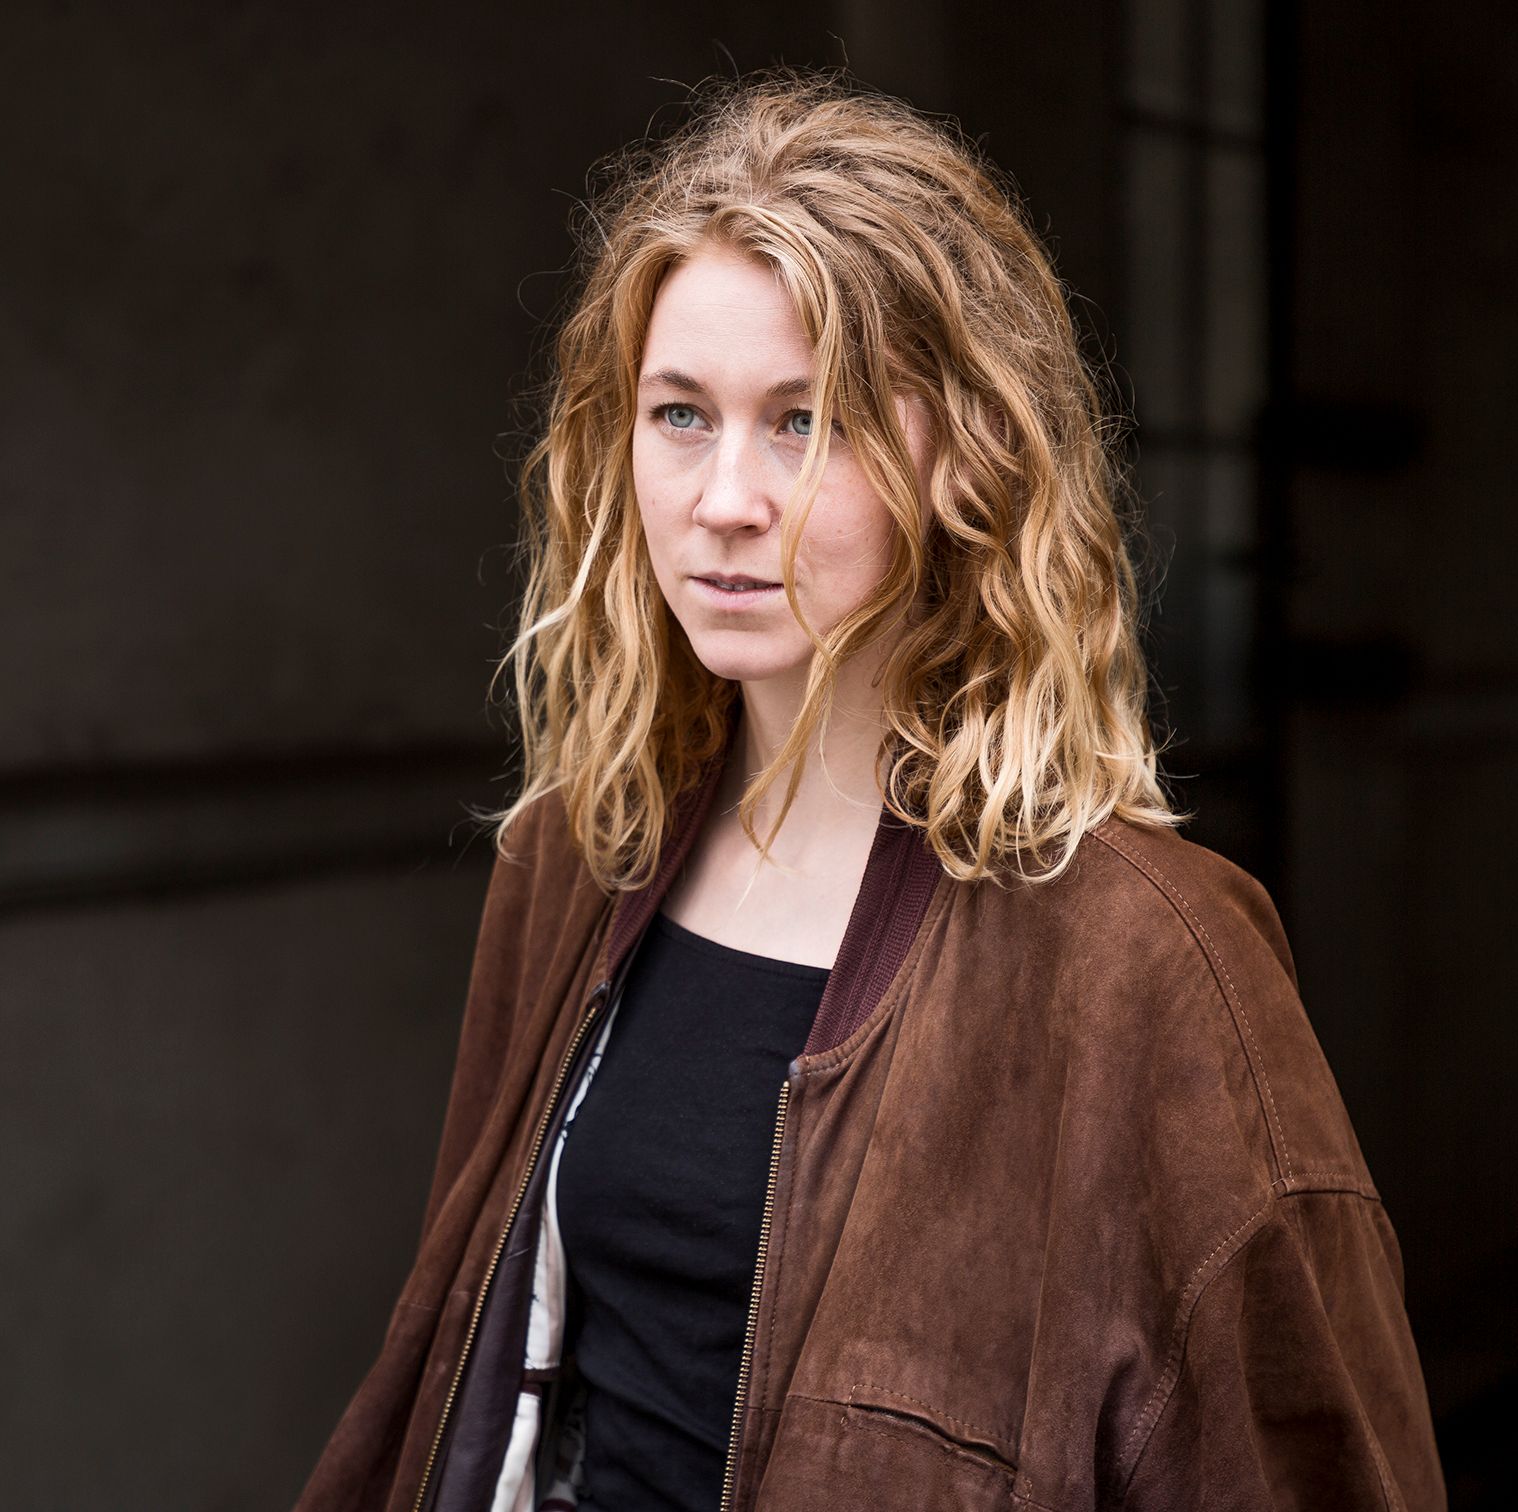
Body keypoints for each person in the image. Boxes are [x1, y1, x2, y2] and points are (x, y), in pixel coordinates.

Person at [296, 69, 1445, 1512]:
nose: (724, 500)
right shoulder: (579, 858)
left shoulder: (1149, 962)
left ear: (964, 455)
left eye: (808, 421)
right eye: (680, 414)